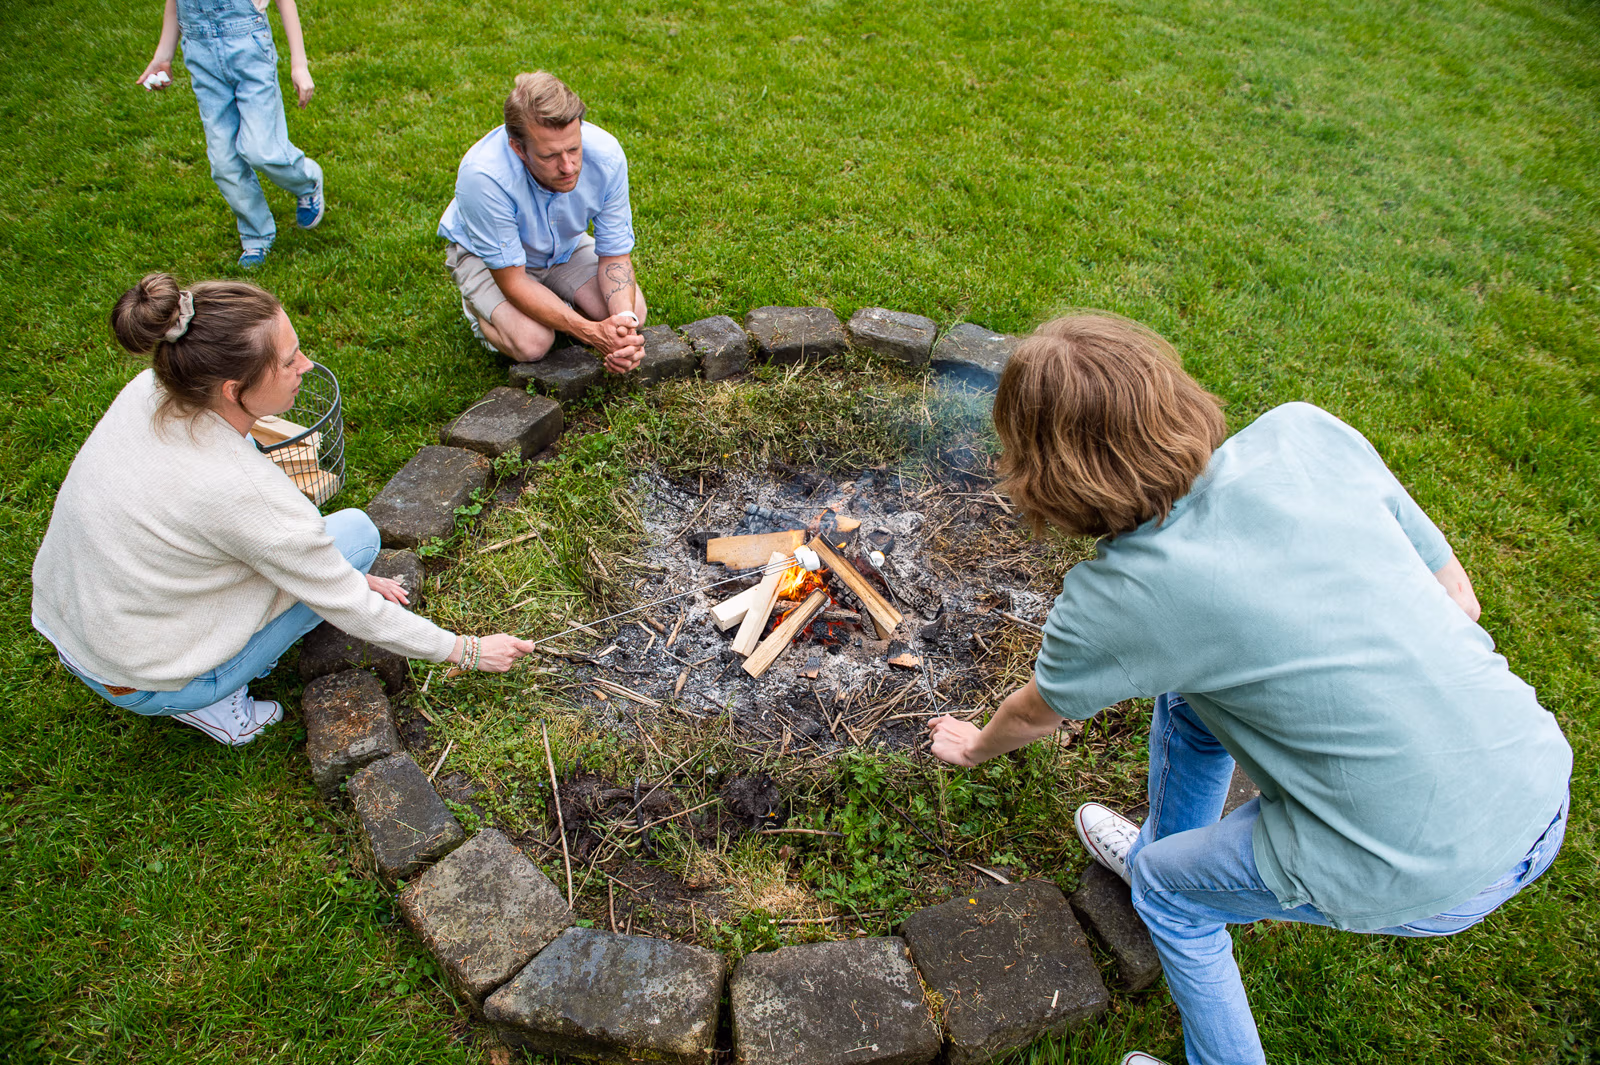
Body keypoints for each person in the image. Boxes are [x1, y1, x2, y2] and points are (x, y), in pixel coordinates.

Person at [927, 315, 1571, 1065]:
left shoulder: (1115, 596)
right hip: (1536, 777)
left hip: (1436, 865)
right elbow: (1460, 600)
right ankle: (1162, 850)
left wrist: (975, 745)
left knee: (1171, 894)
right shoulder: (1304, 434)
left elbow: (1034, 713)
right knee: (1191, 699)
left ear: (1047, 472)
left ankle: (1173, 909)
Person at [31, 273, 536, 746]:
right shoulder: (242, 493)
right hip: (143, 676)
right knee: (356, 541)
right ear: (233, 390)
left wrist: (323, 567)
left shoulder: (150, 390)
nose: (307, 366)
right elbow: (351, 608)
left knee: (349, 542)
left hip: (76, 621)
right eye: (290, 360)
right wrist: (467, 650)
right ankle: (210, 700)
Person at [437, 70, 646, 373]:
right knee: (532, 342)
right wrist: (589, 331)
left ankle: (557, 304)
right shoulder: (483, 177)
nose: (568, 166)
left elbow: (615, 254)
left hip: (564, 246)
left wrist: (623, 329)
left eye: (574, 149)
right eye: (550, 156)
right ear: (518, 148)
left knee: (634, 310)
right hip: (491, 261)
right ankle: (479, 309)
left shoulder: (607, 156)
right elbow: (514, 281)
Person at [137, 0, 325, 268]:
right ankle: (255, 234)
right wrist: (163, 56)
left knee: (260, 150)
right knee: (224, 162)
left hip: (249, 52)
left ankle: (306, 180)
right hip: (202, 59)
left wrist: (299, 64)